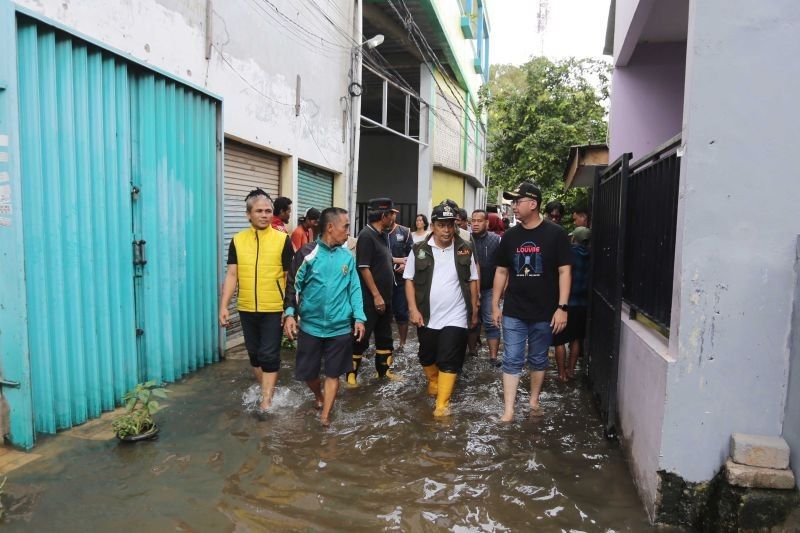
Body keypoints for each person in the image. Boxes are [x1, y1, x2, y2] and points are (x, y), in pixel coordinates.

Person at [492, 182, 572, 422]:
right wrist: (495, 304)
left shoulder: (556, 234)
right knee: (512, 358)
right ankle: (509, 409)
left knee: (538, 358)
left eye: (518, 201)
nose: (514, 206)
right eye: (513, 202)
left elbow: (565, 272)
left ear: (533, 204)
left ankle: (534, 400)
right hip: (514, 310)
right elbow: (501, 272)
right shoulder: (510, 236)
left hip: (545, 312)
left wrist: (562, 308)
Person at [283, 207, 366, 425]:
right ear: (330, 227)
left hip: (339, 328)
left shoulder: (347, 257)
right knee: (308, 374)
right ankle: (318, 395)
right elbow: (293, 285)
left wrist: (359, 317)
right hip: (310, 326)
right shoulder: (307, 254)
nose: (348, 231)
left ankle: (325, 416)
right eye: (345, 226)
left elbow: (354, 289)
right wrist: (290, 314)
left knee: (333, 373)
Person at [219, 189, 294, 414]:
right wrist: (223, 305)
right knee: (255, 355)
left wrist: (290, 309)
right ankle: (268, 390)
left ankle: (266, 402)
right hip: (247, 306)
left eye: (268, 211)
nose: (264, 215)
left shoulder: (283, 240)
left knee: (269, 354)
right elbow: (232, 275)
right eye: (259, 211)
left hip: (274, 307)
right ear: (248, 214)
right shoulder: (238, 240)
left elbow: (291, 277)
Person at [405, 203, 479, 416]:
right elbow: (408, 279)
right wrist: (412, 309)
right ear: (433, 226)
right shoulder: (419, 249)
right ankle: (434, 380)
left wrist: (473, 309)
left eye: (450, 225)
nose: (446, 230)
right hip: (427, 314)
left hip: (456, 314)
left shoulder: (465, 247)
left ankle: (442, 405)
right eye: (441, 225)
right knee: (426, 356)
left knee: (449, 357)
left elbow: (473, 279)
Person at [348, 198, 401, 386]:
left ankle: (383, 373)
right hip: (369, 299)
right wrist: (376, 295)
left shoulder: (381, 235)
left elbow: (381, 259)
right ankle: (350, 376)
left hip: (385, 298)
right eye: (392, 214)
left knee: (385, 336)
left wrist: (398, 261)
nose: (394, 217)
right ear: (383, 215)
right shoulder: (366, 236)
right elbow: (364, 267)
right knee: (360, 336)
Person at [553, 226, 591, 381]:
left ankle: (561, 374)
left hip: (565, 303)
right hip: (583, 303)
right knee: (576, 339)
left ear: (574, 238)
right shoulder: (591, 255)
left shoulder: (568, 253)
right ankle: (571, 370)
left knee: (559, 340)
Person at [468, 209, 502, 366]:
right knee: (470, 320)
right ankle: (472, 352)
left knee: (490, 321)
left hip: (489, 288)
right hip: (468, 288)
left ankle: (493, 357)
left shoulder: (496, 240)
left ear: (487, 223)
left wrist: (502, 290)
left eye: (479, 220)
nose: (475, 223)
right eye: (473, 220)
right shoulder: (465, 239)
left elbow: (504, 267)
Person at [386, 210, 413, 351]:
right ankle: (385, 343)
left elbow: (412, 254)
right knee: (384, 313)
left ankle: (402, 343)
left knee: (402, 313)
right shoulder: (377, 232)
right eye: (389, 214)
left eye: (393, 214)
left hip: (400, 280)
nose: (391, 216)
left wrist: (405, 264)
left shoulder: (405, 232)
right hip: (383, 280)